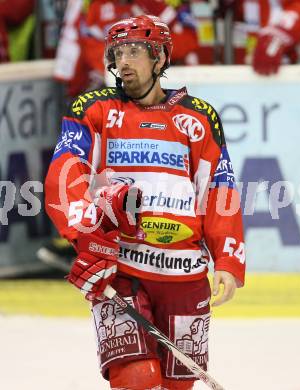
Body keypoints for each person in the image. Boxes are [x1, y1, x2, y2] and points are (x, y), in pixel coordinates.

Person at [45, 14, 245, 389]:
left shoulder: (198, 118)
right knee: (136, 378)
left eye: (135, 51)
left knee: (176, 385)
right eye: (118, 52)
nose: (123, 61)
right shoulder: (92, 110)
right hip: (118, 268)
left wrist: (228, 257)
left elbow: (219, 188)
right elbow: (65, 174)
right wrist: (85, 238)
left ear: (161, 59)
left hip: (184, 274)